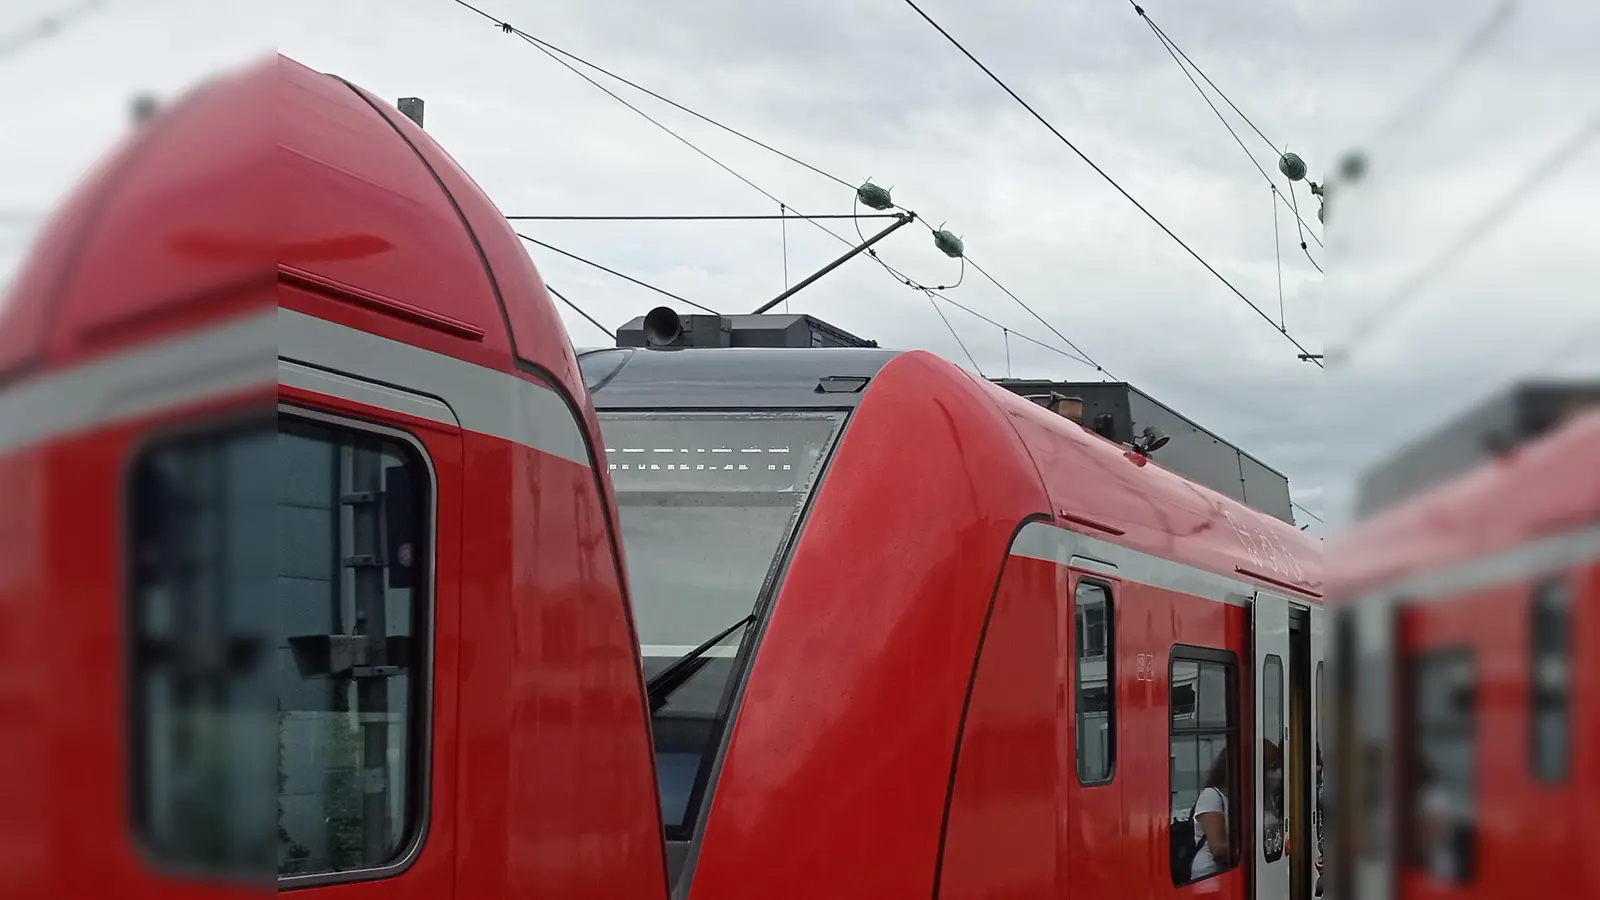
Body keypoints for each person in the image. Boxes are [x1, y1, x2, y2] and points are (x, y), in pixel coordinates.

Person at [1190, 750, 1234, 881]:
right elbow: (1218, 848)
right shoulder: (1211, 795)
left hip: (1224, 873)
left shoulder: (1232, 798)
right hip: (1207, 874)